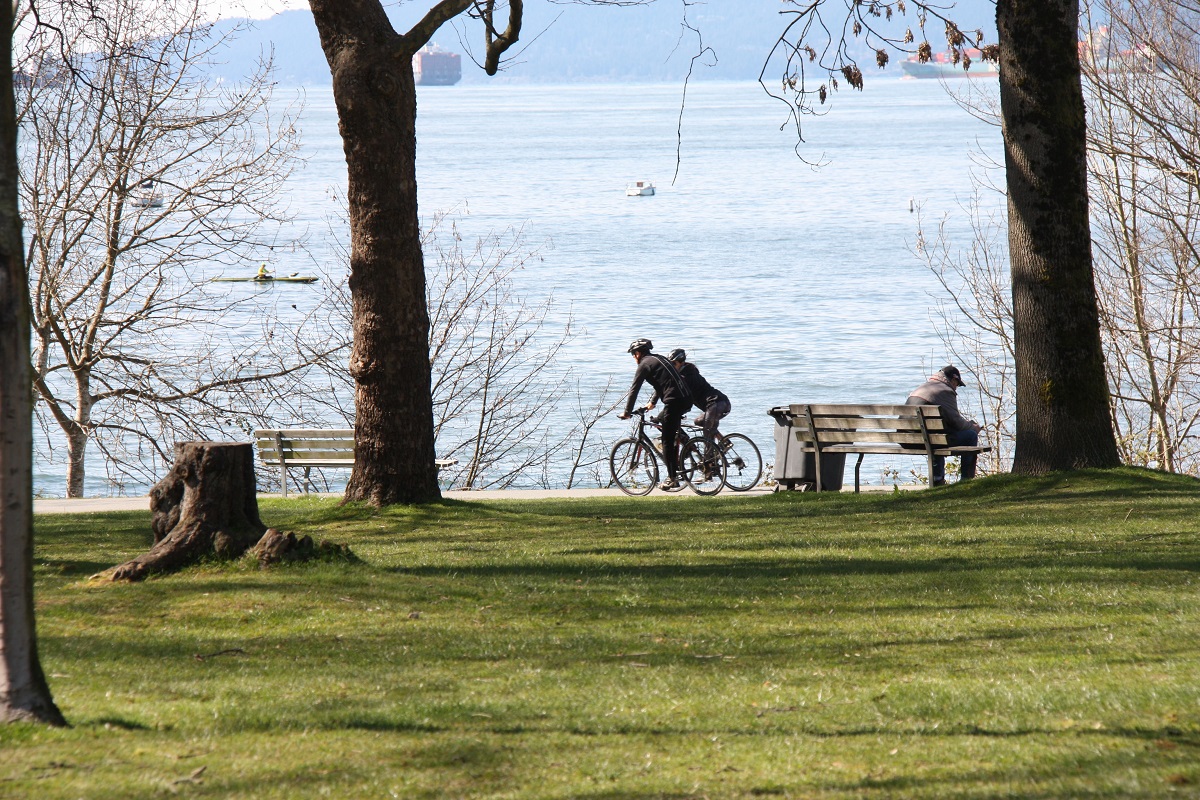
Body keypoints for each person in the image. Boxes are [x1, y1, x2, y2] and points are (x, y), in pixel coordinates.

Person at [618, 338, 693, 490]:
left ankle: (672, 479)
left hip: (674, 401)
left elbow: (634, 389)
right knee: (663, 422)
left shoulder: (644, 365)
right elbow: (663, 383)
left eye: (633, 354)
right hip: (686, 399)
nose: (633, 358)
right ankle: (686, 445)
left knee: (667, 440)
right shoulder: (660, 359)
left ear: (638, 353)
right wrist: (652, 402)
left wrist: (627, 412)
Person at [906, 365, 981, 486]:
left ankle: (937, 478)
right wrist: (973, 427)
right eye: (957, 385)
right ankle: (966, 480)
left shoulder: (921, 388)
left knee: (937, 436)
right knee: (971, 436)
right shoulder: (945, 391)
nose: (956, 388)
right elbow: (956, 422)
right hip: (927, 439)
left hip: (905, 439)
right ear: (953, 380)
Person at [655, 348, 730, 446]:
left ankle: (709, 459)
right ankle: (724, 443)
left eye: (673, 364)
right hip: (717, 405)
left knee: (707, 432)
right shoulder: (680, 375)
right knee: (698, 421)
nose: (671, 367)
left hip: (717, 402)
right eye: (670, 364)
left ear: (681, 362)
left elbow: (677, 396)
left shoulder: (688, 376)